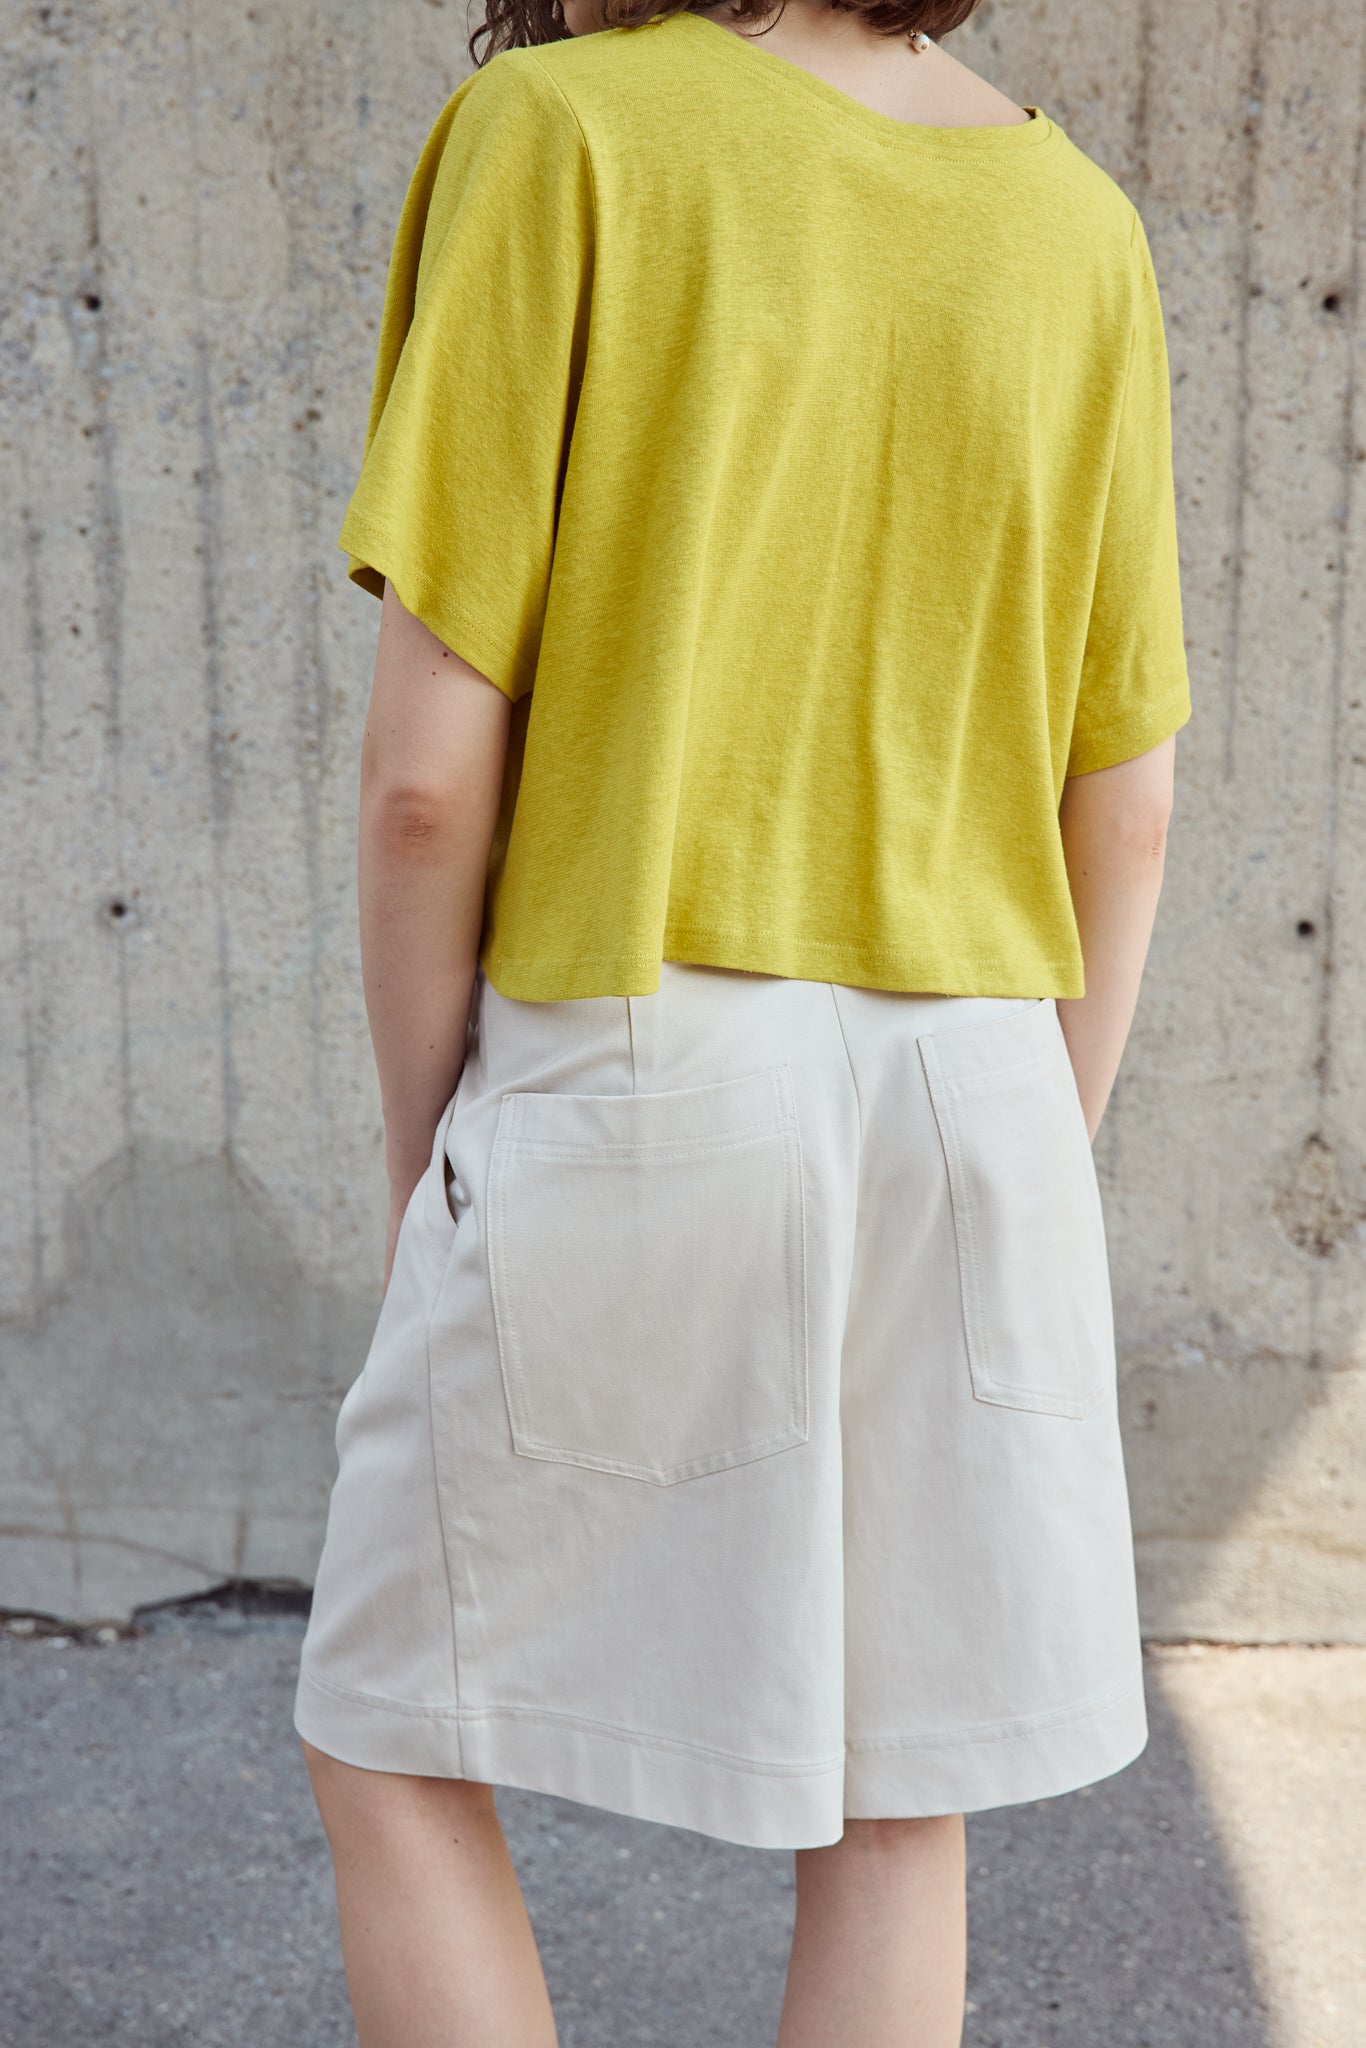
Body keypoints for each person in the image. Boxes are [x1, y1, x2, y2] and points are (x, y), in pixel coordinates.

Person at [292, 0, 1191, 2038]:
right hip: (977, 1079)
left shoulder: (562, 133)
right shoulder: (1074, 224)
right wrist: (1032, 1156)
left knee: (387, 1724)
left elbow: (427, 783)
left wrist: (425, 1141)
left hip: (643, 1041)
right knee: (894, 1799)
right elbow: (1122, 804)